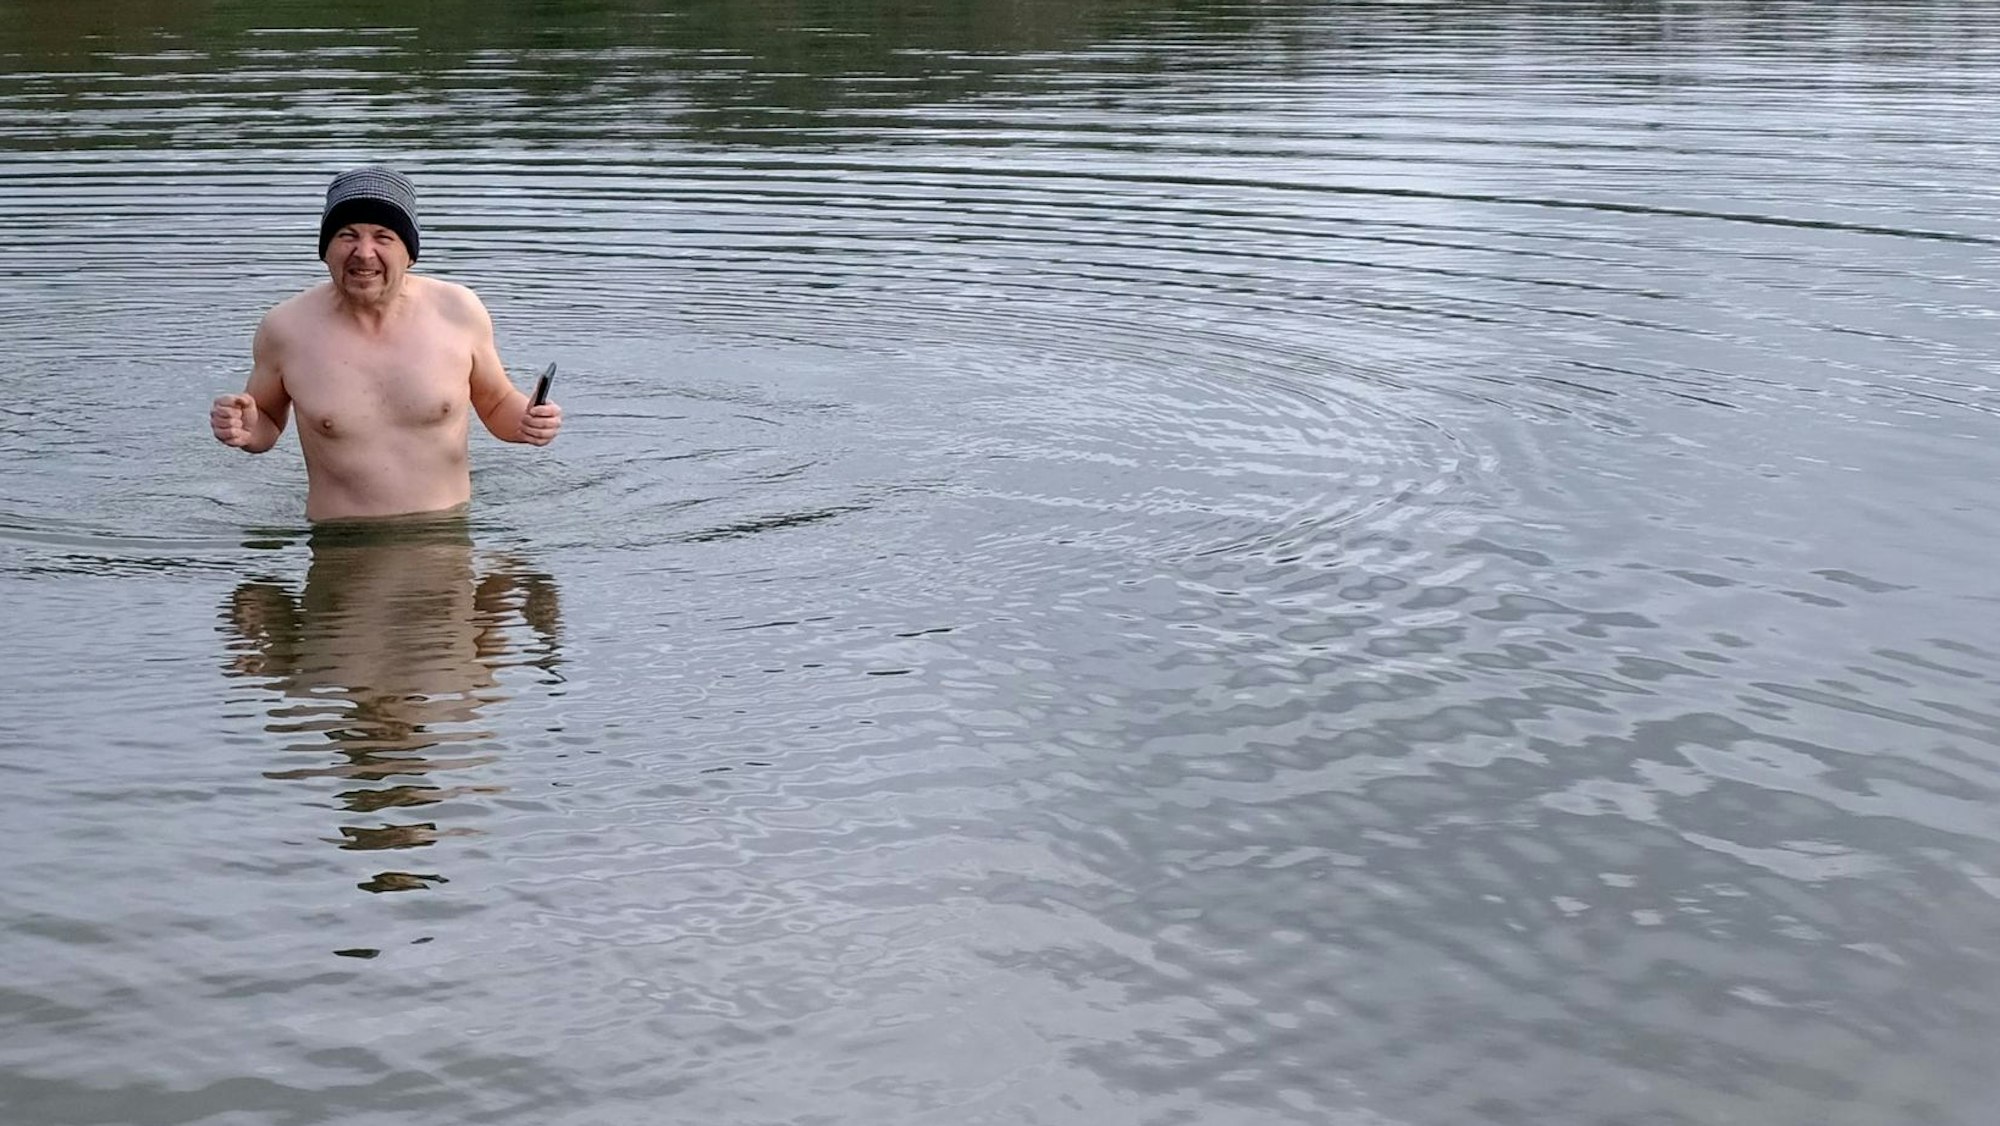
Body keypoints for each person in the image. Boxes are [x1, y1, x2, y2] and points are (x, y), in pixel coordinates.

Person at [210, 166, 562, 522]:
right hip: (341, 547)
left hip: (445, 539)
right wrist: (244, 428)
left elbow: (497, 402)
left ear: (409, 252)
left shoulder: (458, 311)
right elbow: (266, 422)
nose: (364, 253)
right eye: (347, 235)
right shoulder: (285, 328)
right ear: (325, 249)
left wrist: (527, 421)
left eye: (383, 237)